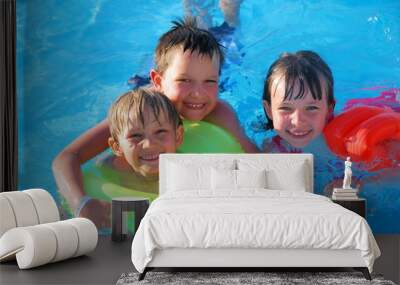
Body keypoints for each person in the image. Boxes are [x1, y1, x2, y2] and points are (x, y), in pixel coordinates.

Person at [52, 17, 257, 225]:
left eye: (210, 81)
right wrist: (81, 203)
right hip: (146, 87)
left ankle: (230, 13)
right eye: (184, 80)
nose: (198, 94)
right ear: (158, 81)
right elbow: (67, 157)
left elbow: (257, 160)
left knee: (229, 36)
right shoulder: (138, 112)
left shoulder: (219, 113)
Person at [53, 88, 183, 229]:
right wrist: (82, 204)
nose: (149, 144)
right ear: (117, 147)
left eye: (160, 132)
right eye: (135, 136)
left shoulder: (188, 168)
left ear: (178, 136)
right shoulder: (106, 172)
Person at [261, 50, 335, 151]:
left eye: (311, 108)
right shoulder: (273, 149)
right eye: (285, 108)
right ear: (269, 110)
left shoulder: (346, 137)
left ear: (329, 110)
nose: (297, 122)